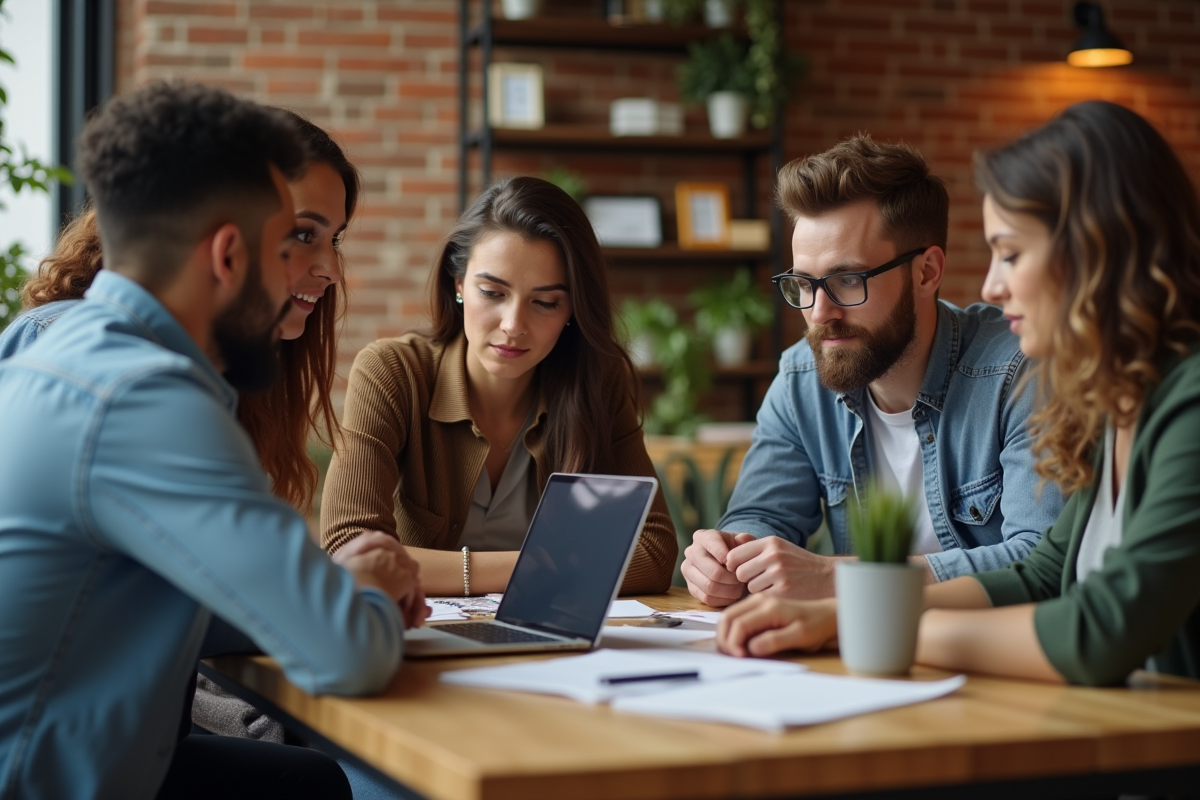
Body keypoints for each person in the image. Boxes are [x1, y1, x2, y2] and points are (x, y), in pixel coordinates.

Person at [0, 81, 425, 800]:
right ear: (229, 256)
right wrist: (372, 594)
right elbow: (347, 654)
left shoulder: (51, 344)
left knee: (312, 782)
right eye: (285, 248)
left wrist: (324, 590)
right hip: (39, 778)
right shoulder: (145, 398)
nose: (308, 273)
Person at [718, 100, 1200, 688]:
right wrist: (836, 613)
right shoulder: (1127, 404)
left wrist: (867, 622)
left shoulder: (1187, 401)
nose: (993, 283)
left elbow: (1099, 627)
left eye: (1012, 253)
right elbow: (1044, 577)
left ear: (1104, 250)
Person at [681, 135, 1065, 607]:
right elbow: (761, 517)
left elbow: (1042, 562)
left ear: (926, 272)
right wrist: (727, 560)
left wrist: (839, 579)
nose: (820, 313)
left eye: (848, 280)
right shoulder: (801, 377)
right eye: (804, 283)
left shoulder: (1020, 371)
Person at [321, 176, 677, 595]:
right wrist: (545, 566)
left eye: (545, 302)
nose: (512, 326)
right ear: (458, 284)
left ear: (572, 311)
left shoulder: (598, 383)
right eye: (492, 292)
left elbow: (653, 553)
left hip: (551, 643)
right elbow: (349, 550)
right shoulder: (392, 373)